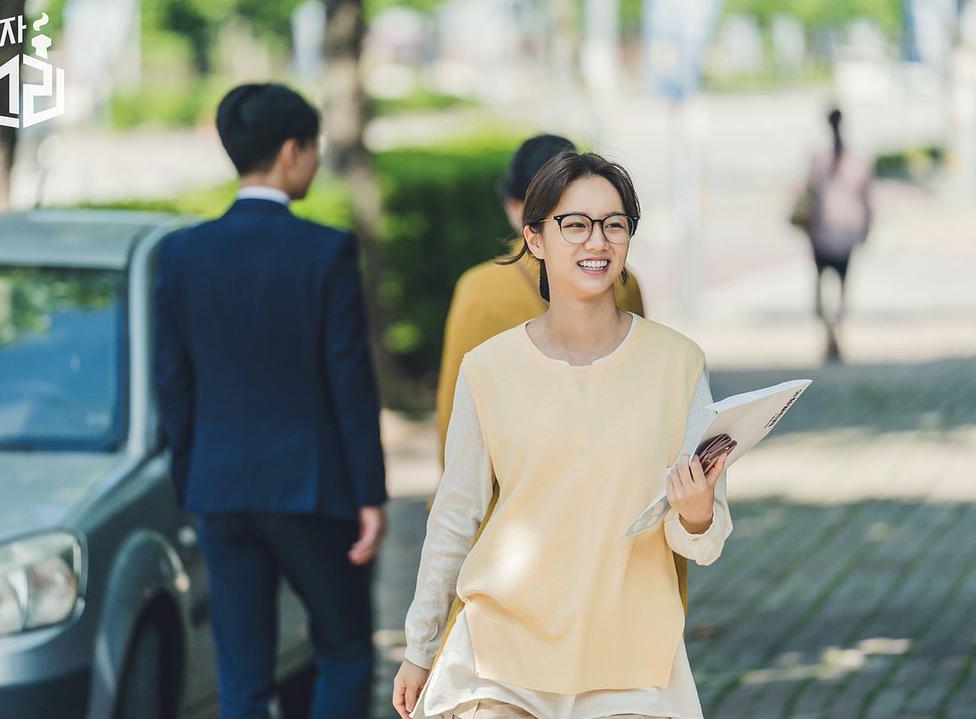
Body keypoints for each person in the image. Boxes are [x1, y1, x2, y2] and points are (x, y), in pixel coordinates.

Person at [393, 152, 734, 719]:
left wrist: (696, 514)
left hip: (632, 662)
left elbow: (703, 538)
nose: (596, 241)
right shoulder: (489, 369)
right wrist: (420, 648)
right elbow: (457, 516)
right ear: (535, 238)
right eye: (574, 225)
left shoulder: (678, 364)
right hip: (500, 659)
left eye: (614, 224)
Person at [153, 82, 388, 719]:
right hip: (314, 490)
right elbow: (349, 380)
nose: (314, 161)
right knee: (342, 649)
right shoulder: (325, 250)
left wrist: (193, 481)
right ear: (291, 151)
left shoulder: (179, 255)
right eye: (313, 148)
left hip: (221, 491)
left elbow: (173, 384)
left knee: (243, 674)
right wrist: (370, 494)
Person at [434, 134, 646, 464]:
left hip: (509, 489)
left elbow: (455, 411)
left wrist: (453, 495)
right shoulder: (622, 279)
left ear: (515, 207)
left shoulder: (479, 289)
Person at [800, 107, 873, 361]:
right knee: (842, 288)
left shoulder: (819, 159)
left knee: (820, 287)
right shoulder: (856, 160)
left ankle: (829, 334)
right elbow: (866, 199)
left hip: (822, 231)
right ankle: (837, 333)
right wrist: (866, 228)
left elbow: (808, 193)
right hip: (845, 232)